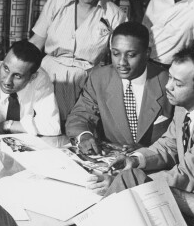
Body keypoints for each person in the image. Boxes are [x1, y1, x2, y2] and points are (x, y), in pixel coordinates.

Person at [109, 47, 194, 196]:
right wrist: (135, 160)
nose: (167, 86)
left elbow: (190, 173)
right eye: (170, 77)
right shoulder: (186, 101)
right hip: (182, 184)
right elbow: (169, 145)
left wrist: (126, 183)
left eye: (178, 83)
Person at [29, 0, 127, 120]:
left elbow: (118, 60)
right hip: (46, 77)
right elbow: (36, 43)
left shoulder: (115, 15)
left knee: (72, 133)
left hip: (84, 85)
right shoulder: (56, 1)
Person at [66, 22, 173, 153]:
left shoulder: (168, 81)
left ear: (147, 53)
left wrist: (147, 151)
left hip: (158, 162)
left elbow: (183, 134)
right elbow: (80, 115)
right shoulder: (99, 78)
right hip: (112, 159)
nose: (122, 62)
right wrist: (85, 136)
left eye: (131, 55)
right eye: (116, 54)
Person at [0, 41, 60, 137]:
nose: (7, 81)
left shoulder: (40, 79)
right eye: (6, 68)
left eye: (17, 76)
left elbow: (53, 126)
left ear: (32, 77)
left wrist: (7, 125)